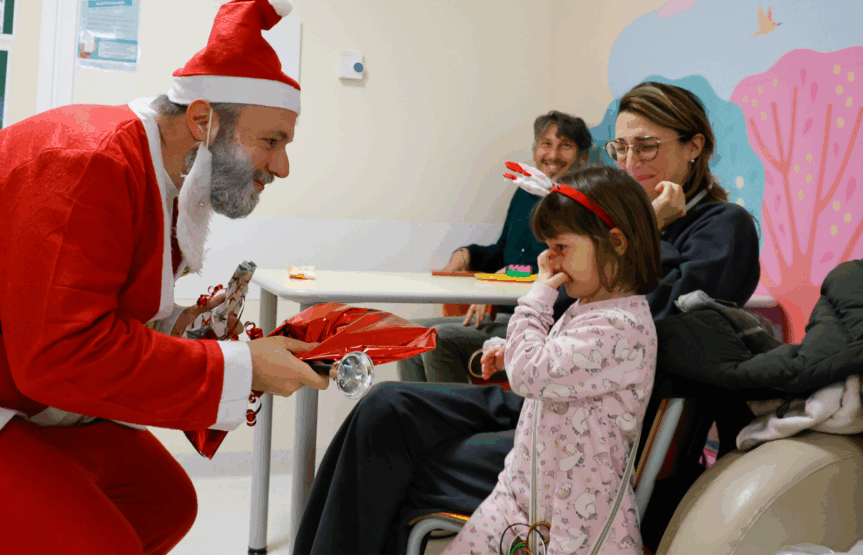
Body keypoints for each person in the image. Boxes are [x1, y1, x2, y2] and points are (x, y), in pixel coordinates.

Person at [0, 0, 328, 555]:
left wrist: (185, 327)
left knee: (163, 503)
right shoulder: (87, 164)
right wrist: (238, 368)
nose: (282, 165)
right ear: (204, 120)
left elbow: (88, 307)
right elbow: (62, 353)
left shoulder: (159, 177)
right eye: (271, 141)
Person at [292, 81, 761, 555]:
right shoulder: (614, 214)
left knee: (392, 449)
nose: (629, 162)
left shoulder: (725, 227)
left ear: (694, 147)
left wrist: (645, 225)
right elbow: (563, 306)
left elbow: (656, 328)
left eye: (647, 147)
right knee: (384, 405)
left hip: (594, 434)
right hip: (548, 398)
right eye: (621, 147)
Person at [443, 165, 662, 555]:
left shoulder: (621, 326)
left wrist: (536, 297)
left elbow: (533, 373)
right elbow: (559, 363)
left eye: (561, 248)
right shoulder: (590, 307)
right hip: (522, 497)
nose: (551, 262)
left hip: (580, 526)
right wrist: (509, 349)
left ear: (615, 242)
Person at [397, 111, 592, 384]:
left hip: (538, 319)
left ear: (583, 157)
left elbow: (559, 266)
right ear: (536, 150)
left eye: (565, 146)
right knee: (410, 335)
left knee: (439, 340)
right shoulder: (526, 193)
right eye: (546, 144)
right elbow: (504, 251)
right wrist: (468, 254)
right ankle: (415, 419)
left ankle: (446, 420)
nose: (553, 154)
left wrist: (506, 275)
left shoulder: (581, 206)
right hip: (502, 311)